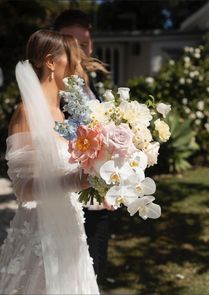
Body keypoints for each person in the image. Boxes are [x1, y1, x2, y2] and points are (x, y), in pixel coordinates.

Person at [0, 29, 109, 295]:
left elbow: (66, 170)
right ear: (50, 62)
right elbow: (24, 188)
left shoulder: (62, 114)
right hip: (41, 232)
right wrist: (73, 180)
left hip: (71, 228)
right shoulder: (26, 113)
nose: (78, 67)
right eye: (72, 58)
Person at [53, 9, 110, 282]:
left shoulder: (92, 84)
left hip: (99, 201)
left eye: (83, 44)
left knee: (95, 272)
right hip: (69, 200)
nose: (78, 51)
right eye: (69, 42)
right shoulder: (51, 91)